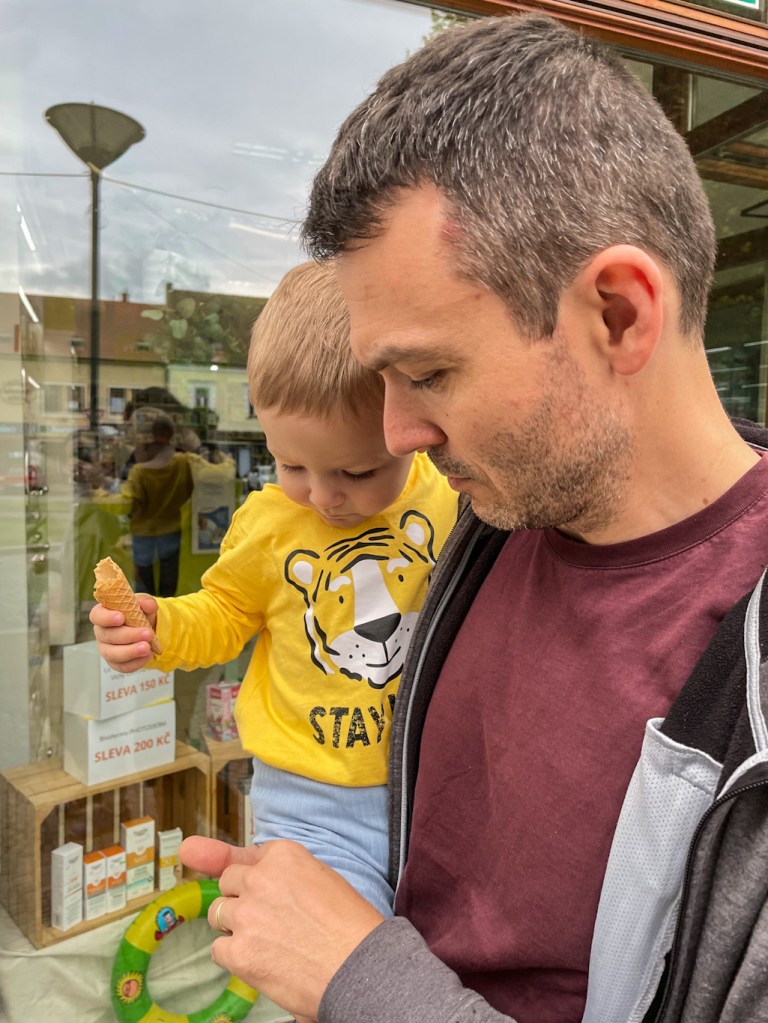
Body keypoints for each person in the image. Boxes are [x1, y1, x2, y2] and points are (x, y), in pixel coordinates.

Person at [177, 13, 768, 1023]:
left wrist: (360, 978)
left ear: (620, 313)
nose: (398, 433)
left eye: (429, 372)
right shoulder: (490, 515)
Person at [91, 260, 458, 919]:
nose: (323, 495)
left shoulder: (450, 497)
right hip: (310, 801)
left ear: (411, 424)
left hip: (436, 785)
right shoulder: (267, 525)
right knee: (326, 950)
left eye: (356, 471)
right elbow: (224, 611)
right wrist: (161, 626)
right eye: (291, 464)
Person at [122, 409, 195, 597]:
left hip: (143, 534)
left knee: (144, 584)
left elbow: (130, 504)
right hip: (172, 531)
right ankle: (166, 612)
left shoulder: (139, 472)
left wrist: (98, 493)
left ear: (147, 443)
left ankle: (146, 614)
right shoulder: (183, 462)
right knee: (169, 583)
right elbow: (189, 490)